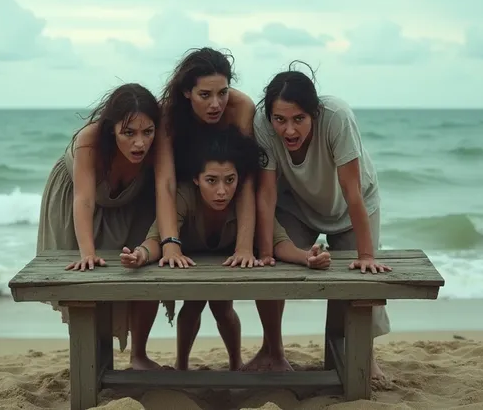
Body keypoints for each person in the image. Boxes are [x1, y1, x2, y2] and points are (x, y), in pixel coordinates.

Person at [120, 126, 332, 371]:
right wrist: (141, 255)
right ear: (196, 179)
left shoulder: (244, 202)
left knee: (223, 309)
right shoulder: (184, 196)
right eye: (211, 180)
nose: (222, 191)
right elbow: (157, 239)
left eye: (229, 180)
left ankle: (235, 365)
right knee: (191, 307)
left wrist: (306, 257)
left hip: (225, 266)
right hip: (192, 266)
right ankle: (181, 366)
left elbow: (278, 242)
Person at [249, 61, 392, 379]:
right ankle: (273, 350)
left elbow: (352, 190)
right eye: (280, 119)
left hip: (352, 203)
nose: (289, 130)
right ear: (270, 115)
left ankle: (361, 354)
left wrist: (366, 255)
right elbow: (267, 193)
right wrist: (266, 253)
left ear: (314, 113)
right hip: (298, 204)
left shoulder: (337, 117)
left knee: (360, 275)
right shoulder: (261, 123)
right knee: (274, 271)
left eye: (299, 119)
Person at [36, 83, 163, 370]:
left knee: (145, 270)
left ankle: (139, 356)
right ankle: (91, 358)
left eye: (147, 132)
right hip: (77, 194)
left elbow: (166, 185)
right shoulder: (90, 139)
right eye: (128, 133)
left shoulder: (160, 138)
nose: (140, 143)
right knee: (87, 274)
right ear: (111, 129)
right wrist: (87, 252)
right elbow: (83, 200)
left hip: (131, 200)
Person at [152, 47, 260, 269]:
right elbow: (166, 183)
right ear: (186, 91)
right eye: (205, 95)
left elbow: (244, 178)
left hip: (217, 190)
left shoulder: (240, 107)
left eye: (223, 92)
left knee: (222, 296)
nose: (216, 104)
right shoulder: (167, 115)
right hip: (184, 195)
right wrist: (171, 244)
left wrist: (244, 248)